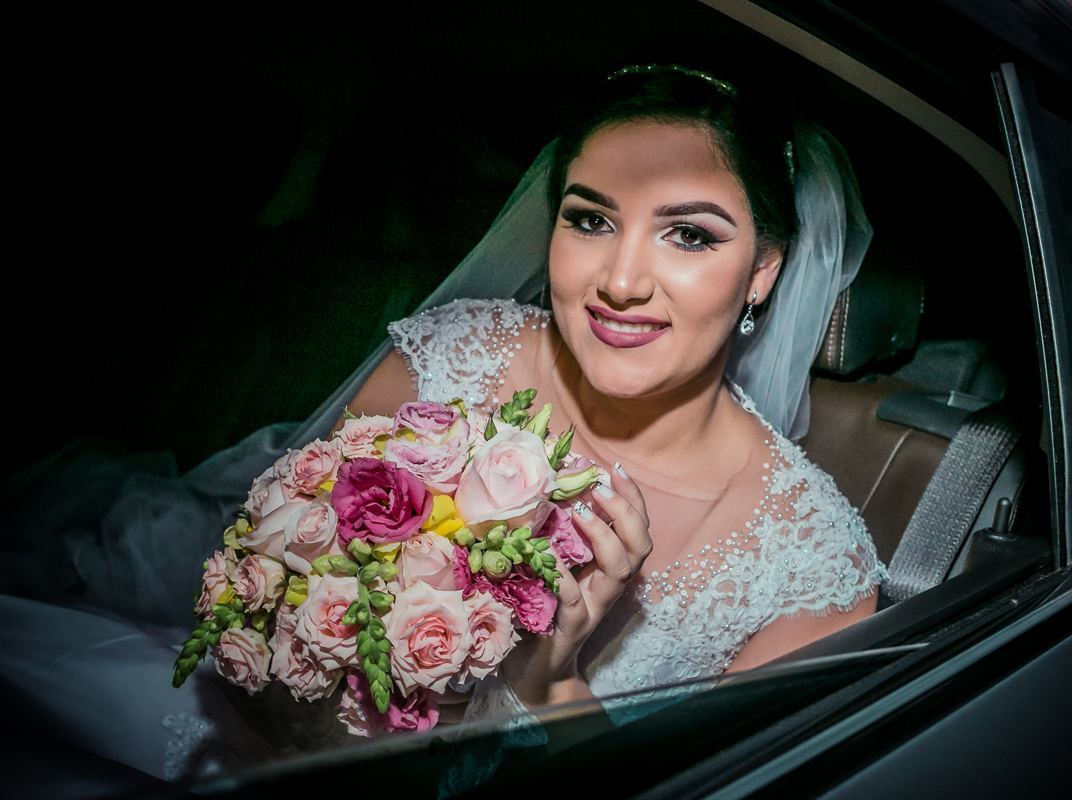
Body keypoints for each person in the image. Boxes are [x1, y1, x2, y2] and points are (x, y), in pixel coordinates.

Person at [0, 64, 882, 784]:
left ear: (763, 269)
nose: (620, 279)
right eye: (590, 220)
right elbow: (274, 609)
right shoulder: (456, 358)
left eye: (688, 236)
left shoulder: (811, 565)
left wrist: (556, 681)